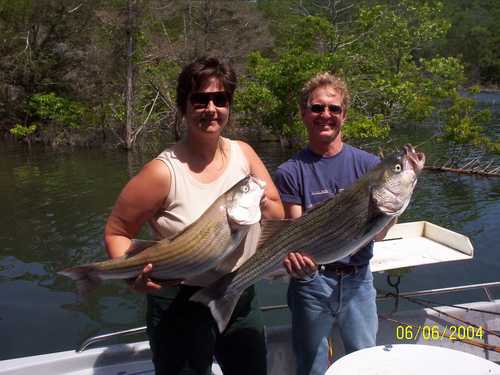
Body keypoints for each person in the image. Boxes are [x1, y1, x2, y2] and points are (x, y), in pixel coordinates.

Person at [104, 57, 284, 375]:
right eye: (200, 99)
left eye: (220, 99)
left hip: (241, 291)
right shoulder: (161, 173)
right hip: (179, 301)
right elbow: (117, 231)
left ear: (229, 105)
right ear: (183, 106)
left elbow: (276, 210)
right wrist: (133, 276)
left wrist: (260, 207)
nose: (210, 108)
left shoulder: (244, 153)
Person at [275, 72, 392, 375]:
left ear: (344, 115)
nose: (325, 115)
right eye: (316, 108)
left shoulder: (369, 166)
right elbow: (295, 232)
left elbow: (378, 237)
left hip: (359, 281)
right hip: (311, 284)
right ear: (304, 114)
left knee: (365, 363)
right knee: (311, 366)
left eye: (334, 109)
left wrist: (392, 208)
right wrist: (299, 267)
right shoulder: (290, 171)